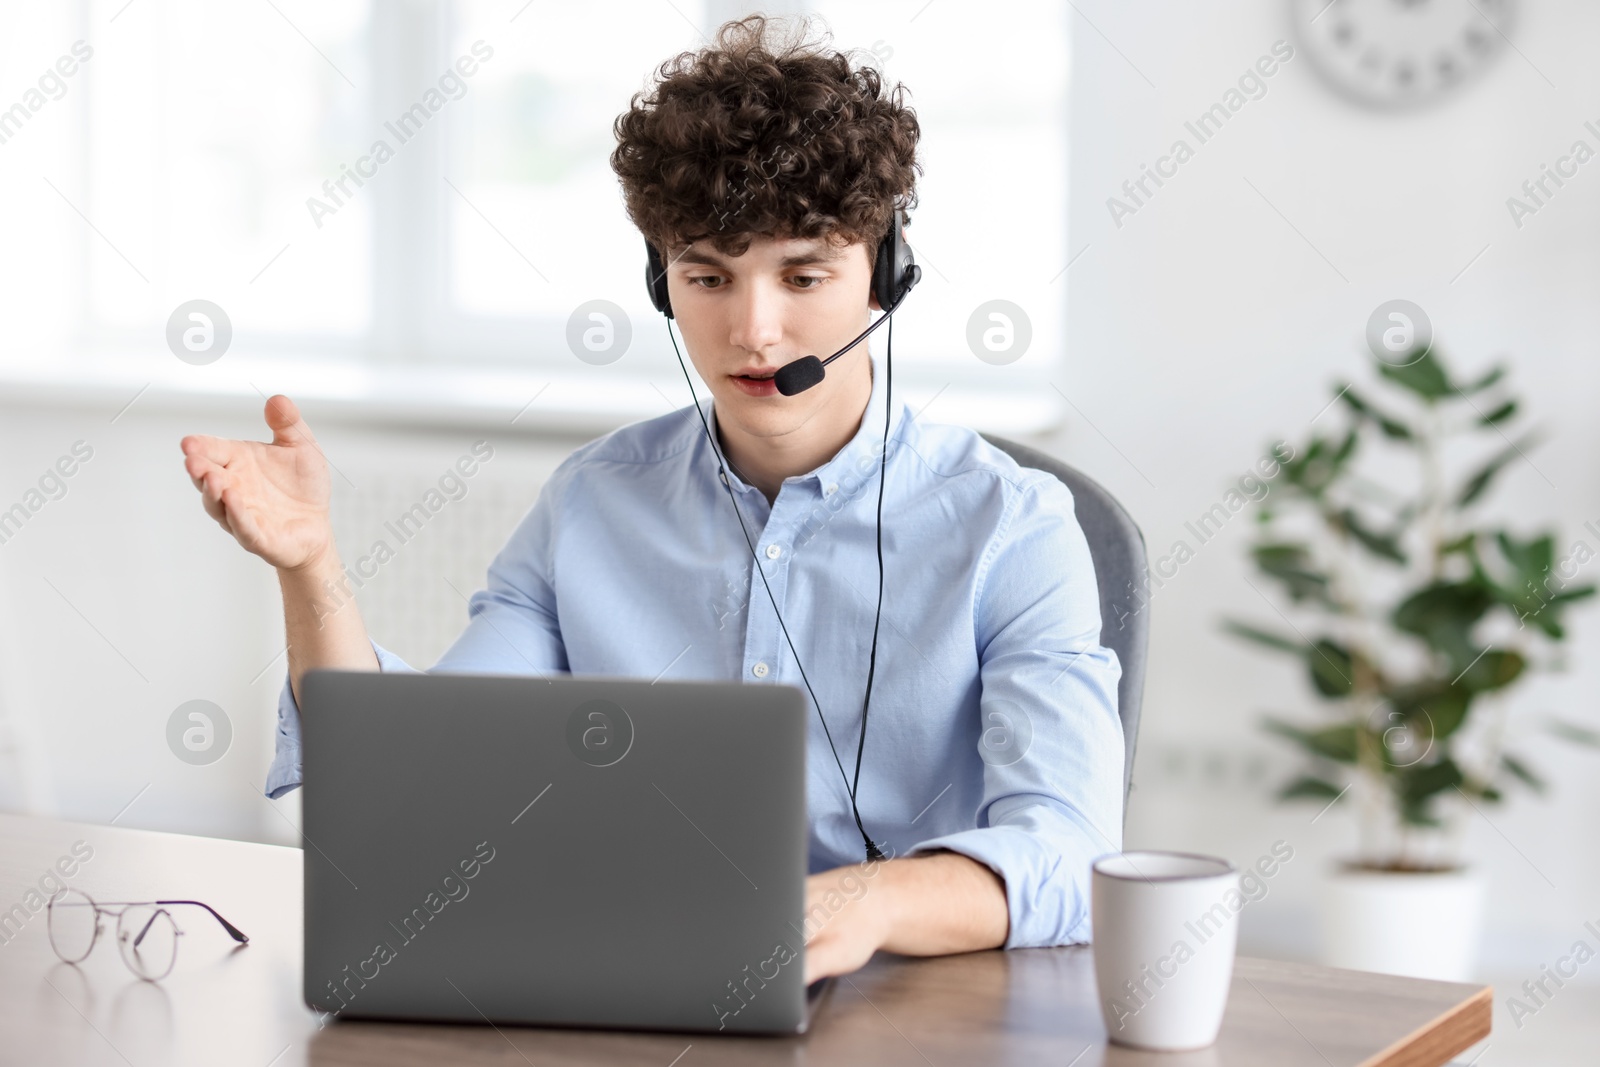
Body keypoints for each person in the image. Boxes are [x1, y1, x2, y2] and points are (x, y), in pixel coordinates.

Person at [178, 14, 1123, 985]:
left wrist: (871, 899)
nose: (753, 330)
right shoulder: (592, 504)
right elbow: (420, 778)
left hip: (917, 1009)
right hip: (641, 985)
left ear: (884, 274)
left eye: (803, 274)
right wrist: (310, 566)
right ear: (661, 283)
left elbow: (1070, 855)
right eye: (707, 276)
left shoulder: (1014, 527)